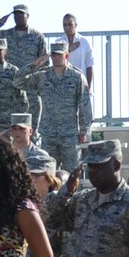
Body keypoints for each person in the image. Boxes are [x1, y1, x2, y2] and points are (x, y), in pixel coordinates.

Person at [25, 44, 92, 173]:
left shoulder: (77, 77)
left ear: (66, 55)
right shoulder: (42, 76)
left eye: (59, 55)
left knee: (72, 175)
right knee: (47, 175)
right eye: (53, 54)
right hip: (49, 134)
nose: (56, 57)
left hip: (69, 135)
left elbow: (85, 105)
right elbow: (19, 81)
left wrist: (83, 131)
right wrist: (34, 65)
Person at [61, 13, 95, 90]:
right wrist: (69, 49)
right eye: (65, 25)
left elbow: (89, 66)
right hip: (64, 85)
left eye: (70, 24)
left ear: (75, 25)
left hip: (81, 84)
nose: (67, 27)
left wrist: (88, 88)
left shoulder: (85, 42)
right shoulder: (59, 42)